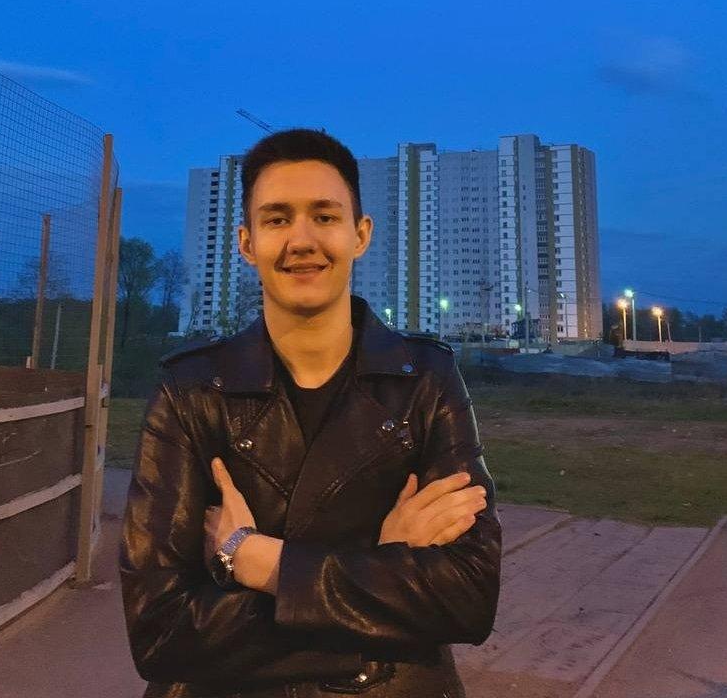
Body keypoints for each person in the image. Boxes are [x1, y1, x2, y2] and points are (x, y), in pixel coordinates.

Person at [120, 128, 502, 698]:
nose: (302, 240)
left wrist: (254, 559)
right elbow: (160, 631)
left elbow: (469, 595)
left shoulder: (425, 380)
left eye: (324, 217)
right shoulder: (191, 392)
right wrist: (381, 564)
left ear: (360, 234)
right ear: (247, 243)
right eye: (277, 219)